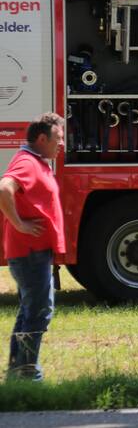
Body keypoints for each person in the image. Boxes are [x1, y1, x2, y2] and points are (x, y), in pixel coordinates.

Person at [1, 113, 64, 381]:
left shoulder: (37, 161)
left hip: (34, 252)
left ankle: (18, 371)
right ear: (42, 138)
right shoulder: (27, 162)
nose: (62, 145)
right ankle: (28, 374)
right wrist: (19, 224)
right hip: (29, 253)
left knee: (30, 309)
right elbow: (4, 188)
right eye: (58, 139)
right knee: (39, 311)